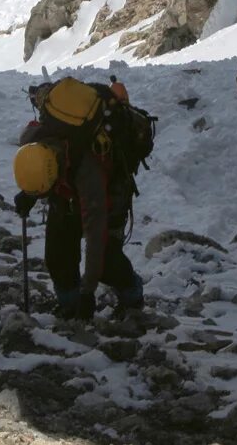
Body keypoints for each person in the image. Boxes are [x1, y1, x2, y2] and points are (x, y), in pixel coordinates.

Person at [12, 83, 144, 321]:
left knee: (107, 263)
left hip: (110, 195)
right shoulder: (38, 141)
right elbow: (37, 170)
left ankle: (133, 295)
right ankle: (68, 305)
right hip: (65, 197)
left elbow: (95, 236)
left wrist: (88, 292)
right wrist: (29, 194)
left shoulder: (88, 171)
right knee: (57, 257)